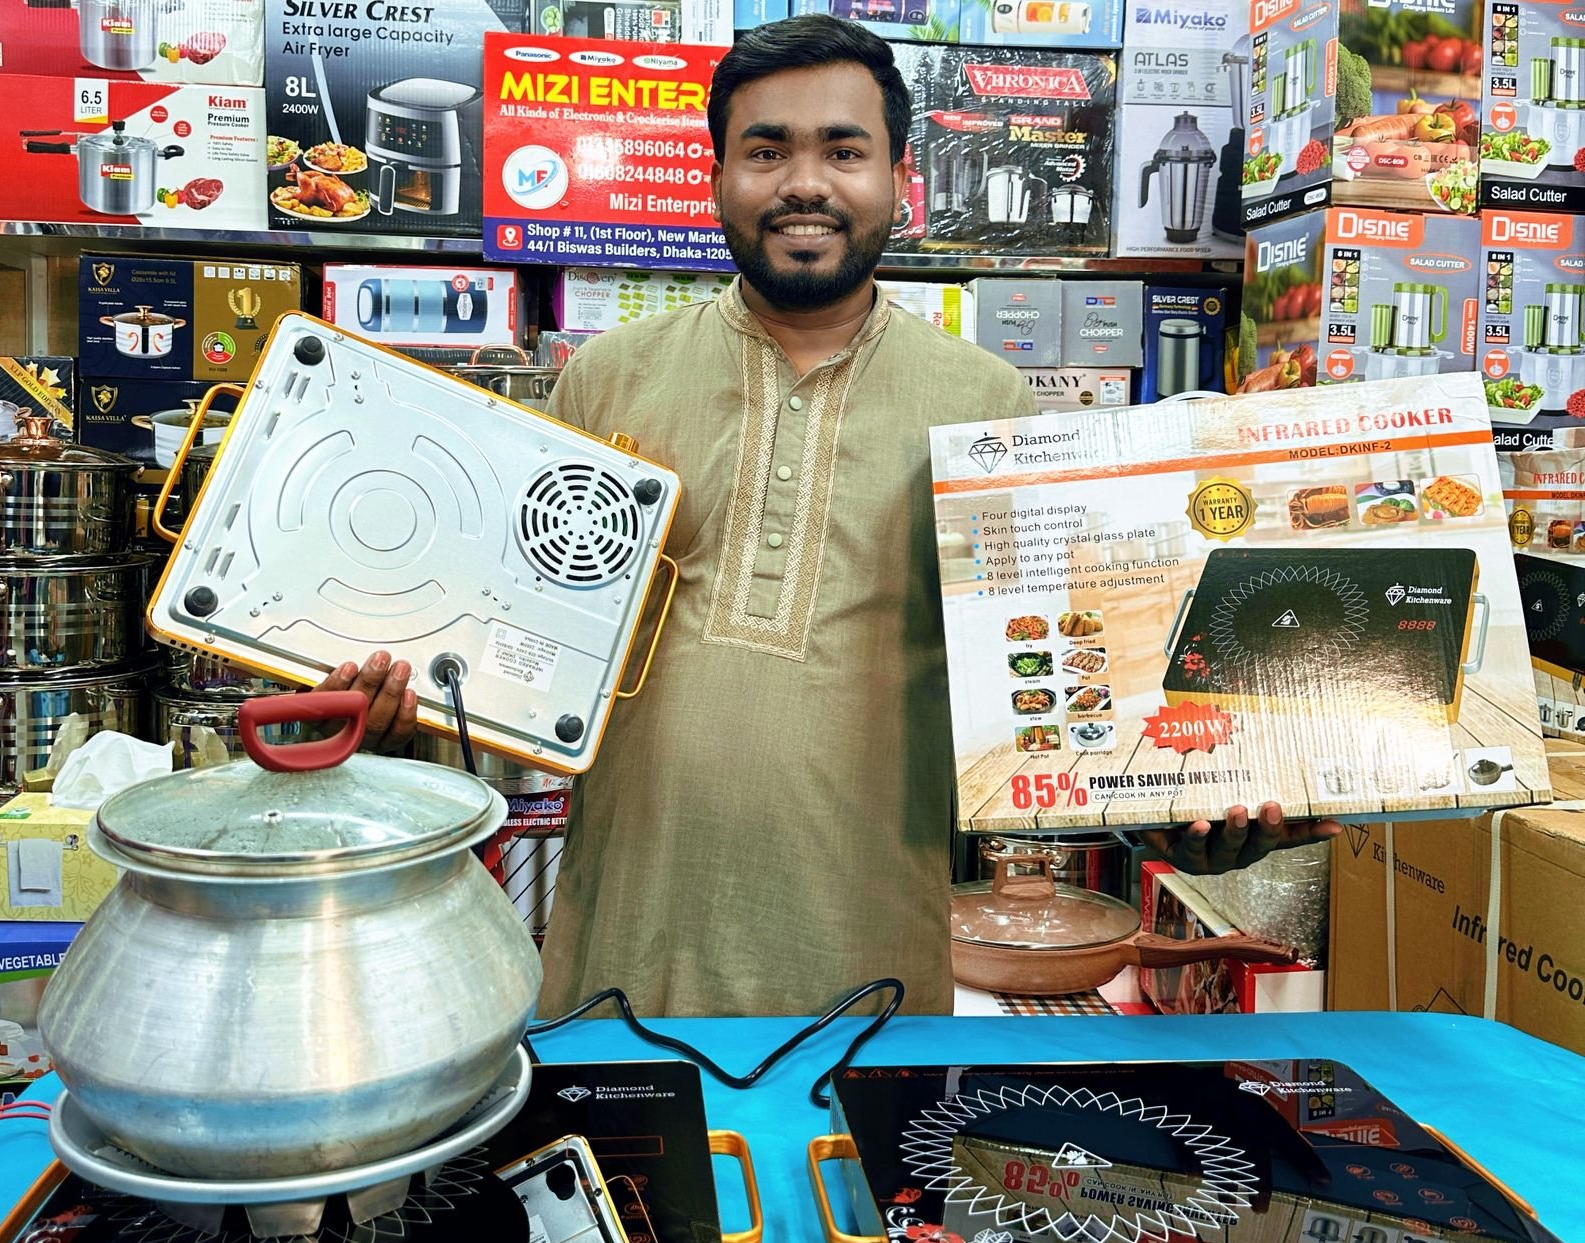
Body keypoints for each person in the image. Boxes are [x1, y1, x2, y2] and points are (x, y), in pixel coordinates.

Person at [316, 15, 1338, 1018]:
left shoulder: (989, 410)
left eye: (843, 151)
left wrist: (1173, 808)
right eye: (766, 151)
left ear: (900, 181)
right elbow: (510, 670)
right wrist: (402, 716)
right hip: (618, 970)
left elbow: (1059, 694)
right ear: (717, 176)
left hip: (867, 985)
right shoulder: (606, 382)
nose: (804, 183)